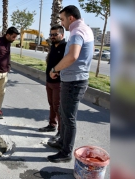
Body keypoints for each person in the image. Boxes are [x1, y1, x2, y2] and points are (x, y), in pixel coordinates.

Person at [47, 5, 94, 163]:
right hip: (73, 79)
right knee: (63, 111)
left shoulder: (77, 32)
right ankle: (62, 142)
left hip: (74, 82)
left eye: (62, 19)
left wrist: (55, 69)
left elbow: (73, 56)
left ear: (71, 18)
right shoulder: (84, 29)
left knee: (68, 118)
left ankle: (66, 152)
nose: (62, 23)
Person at [38, 25, 66, 141]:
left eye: (55, 34)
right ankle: (52, 125)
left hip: (58, 83)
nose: (52, 37)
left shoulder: (65, 47)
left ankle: (61, 131)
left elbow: (69, 62)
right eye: (51, 34)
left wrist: (59, 72)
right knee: (51, 104)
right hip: (49, 81)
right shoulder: (53, 46)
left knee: (58, 107)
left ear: (62, 35)